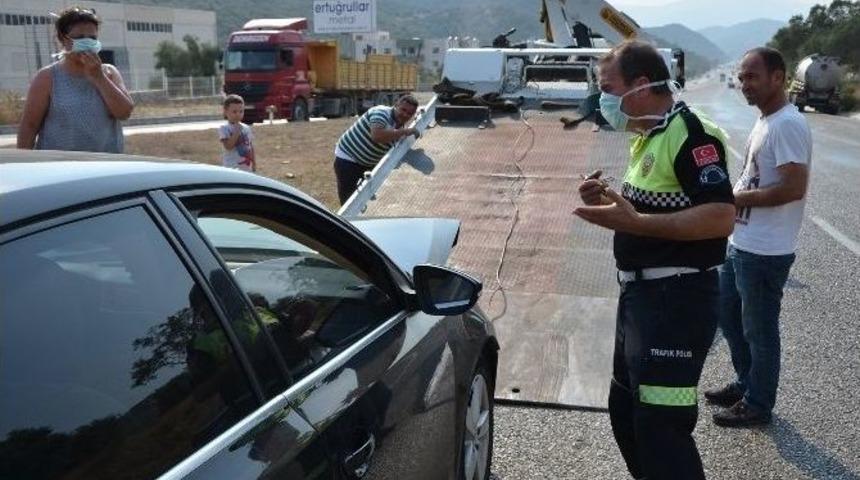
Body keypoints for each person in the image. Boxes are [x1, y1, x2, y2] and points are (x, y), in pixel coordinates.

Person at [574, 40, 735, 480]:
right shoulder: (648, 135)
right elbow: (652, 207)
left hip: (676, 300)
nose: (601, 97)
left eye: (607, 87)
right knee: (625, 411)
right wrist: (610, 199)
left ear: (640, 86)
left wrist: (638, 224)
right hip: (641, 298)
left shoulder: (692, 134)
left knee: (662, 428)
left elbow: (721, 216)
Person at [705, 47, 812, 428]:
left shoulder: (786, 124)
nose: (744, 84)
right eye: (742, 76)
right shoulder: (766, 119)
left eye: (752, 77)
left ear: (778, 77)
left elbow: (792, 188)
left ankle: (758, 403)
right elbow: (756, 176)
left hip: (767, 251)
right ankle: (747, 383)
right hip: (742, 242)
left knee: (760, 330)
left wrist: (733, 199)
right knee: (729, 318)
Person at [17, 6, 134, 152]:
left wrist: (99, 78)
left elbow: (124, 113)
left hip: (105, 165)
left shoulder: (109, 72)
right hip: (61, 167)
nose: (87, 42)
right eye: (79, 38)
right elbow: (29, 125)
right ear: (62, 39)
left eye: (92, 38)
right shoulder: (47, 78)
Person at [333, 95, 420, 204]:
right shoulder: (381, 113)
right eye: (403, 110)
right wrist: (406, 132)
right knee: (349, 201)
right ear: (396, 105)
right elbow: (377, 136)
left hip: (368, 165)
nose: (405, 115)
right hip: (348, 159)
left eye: (409, 113)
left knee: (367, 201)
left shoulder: (399, 127)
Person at [219, 94, 256, 172]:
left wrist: (254, 163)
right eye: (234, 112)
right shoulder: (224, 128)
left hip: (246, 167)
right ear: (226, 112)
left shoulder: (246, 128)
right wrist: (237, 131)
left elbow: (250, 147)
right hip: (231, 168)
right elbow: (228, 146)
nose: (238, 114)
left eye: (241, 111)